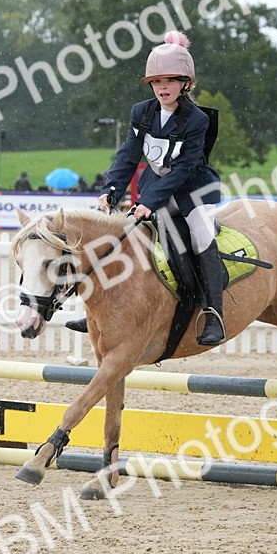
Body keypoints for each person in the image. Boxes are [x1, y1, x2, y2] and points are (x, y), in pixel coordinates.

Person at [68, 30, 225, 345]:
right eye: (156, 81)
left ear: (186, 83)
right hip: (156, 187)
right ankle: (98, 310)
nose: (162, 87)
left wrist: (149, 202)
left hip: (192, 189)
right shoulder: (142, 112)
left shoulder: (196, 120)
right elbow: (128, 154)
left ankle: (213, 313)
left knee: (200, 233)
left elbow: (183, 169)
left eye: (170, 81)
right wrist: (112, 190)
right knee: (120, 234)